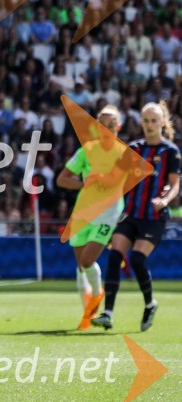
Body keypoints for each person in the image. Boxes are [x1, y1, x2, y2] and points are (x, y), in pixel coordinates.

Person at [92, 102, 181, 331]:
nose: (149, 125)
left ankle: (150, 304)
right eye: (146, 121)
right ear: (141, 122)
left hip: (154, 217)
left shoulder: (170, 151)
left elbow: (174, 185)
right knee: (114, 256)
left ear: (162, 123)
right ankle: (108, 314)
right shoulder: (133, 149)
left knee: (137, 260)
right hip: (131, 214)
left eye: (153, 121)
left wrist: (165, 200)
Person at [56, 105, 122, 330]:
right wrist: (83, 184)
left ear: (118, 127)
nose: (107, 128)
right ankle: (88, 312)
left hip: (108, 214)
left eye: (111, 125)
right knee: (81, 266)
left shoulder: (123, 153)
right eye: (102, 124)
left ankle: (97, 296)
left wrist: (104, 180)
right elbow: (62, 179)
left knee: (86, 260)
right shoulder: (86, 151)